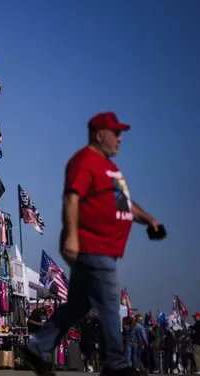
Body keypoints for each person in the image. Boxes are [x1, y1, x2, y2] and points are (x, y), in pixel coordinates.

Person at [24, 112, 163, 376]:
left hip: (106, 248)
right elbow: (72, 197)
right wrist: (72, 235)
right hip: (92, 245)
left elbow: (124, 205)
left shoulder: (111, 169)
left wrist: (151, 221)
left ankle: (37, 348)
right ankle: (115, 364)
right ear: (100, 135)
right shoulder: (84, 161)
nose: (121, 139)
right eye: (116, 133)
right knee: (110, 301)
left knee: (78, 305)